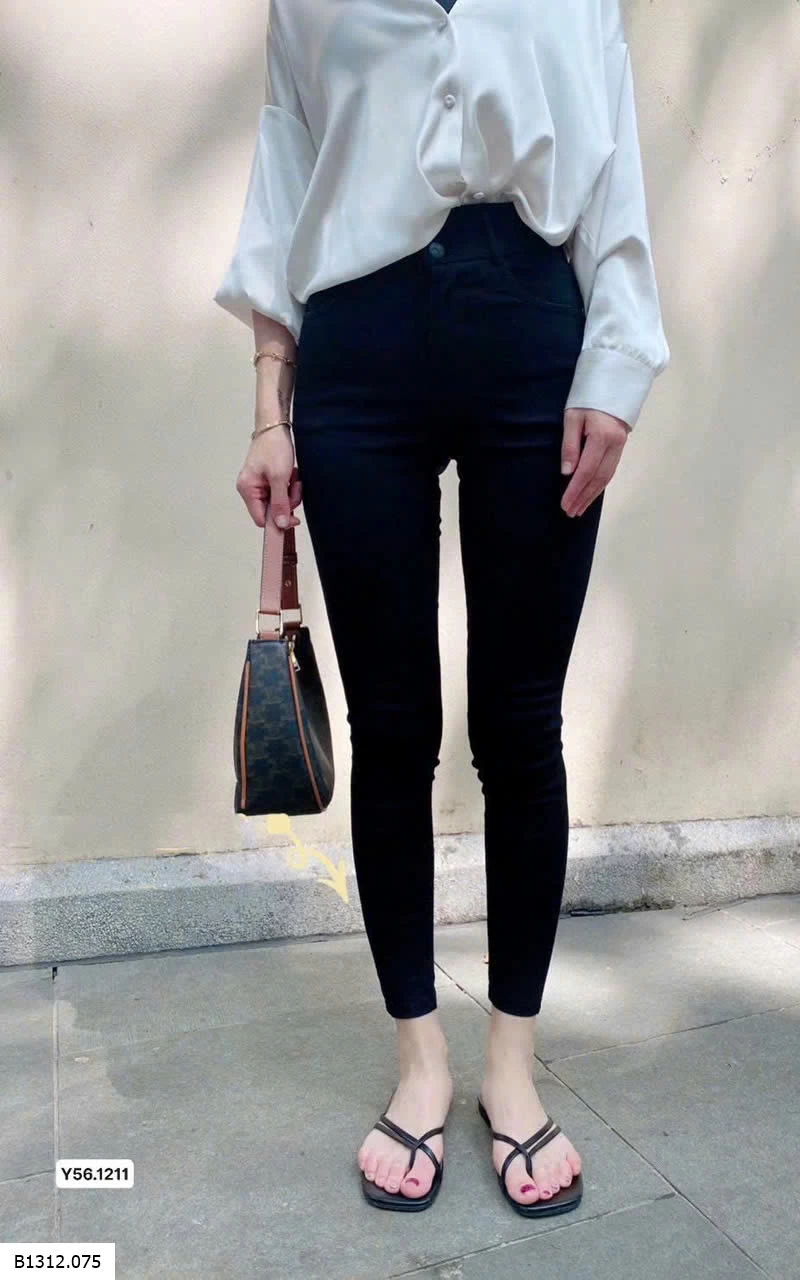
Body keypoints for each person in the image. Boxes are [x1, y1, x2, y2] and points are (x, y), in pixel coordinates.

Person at [214, 0, 668, 1217]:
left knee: (519, 724)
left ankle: (509, 1065)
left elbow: (610, 153)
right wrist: (268, 409)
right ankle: (420, 1058)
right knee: (393, 728)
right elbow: (285, 164)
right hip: (359, 348)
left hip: (531, 328)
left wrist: (616, 362)